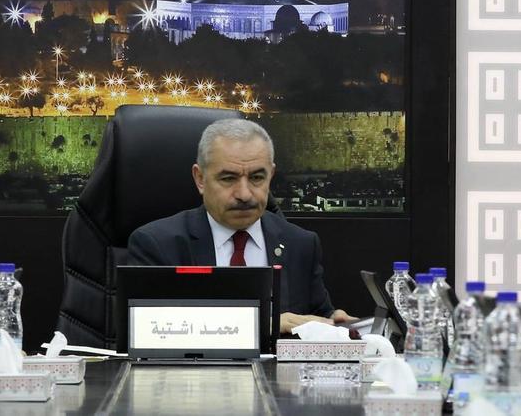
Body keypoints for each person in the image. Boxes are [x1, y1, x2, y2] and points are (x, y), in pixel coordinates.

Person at [127, 118, 356, 333]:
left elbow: (315, 315)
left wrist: (333, 322)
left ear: (271, 175)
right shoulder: (158, 245)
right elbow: (148, 332)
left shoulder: (300, 244)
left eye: (257, 178)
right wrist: (262, 325)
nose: (244, 194)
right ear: (200, 179)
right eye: (228, 178)